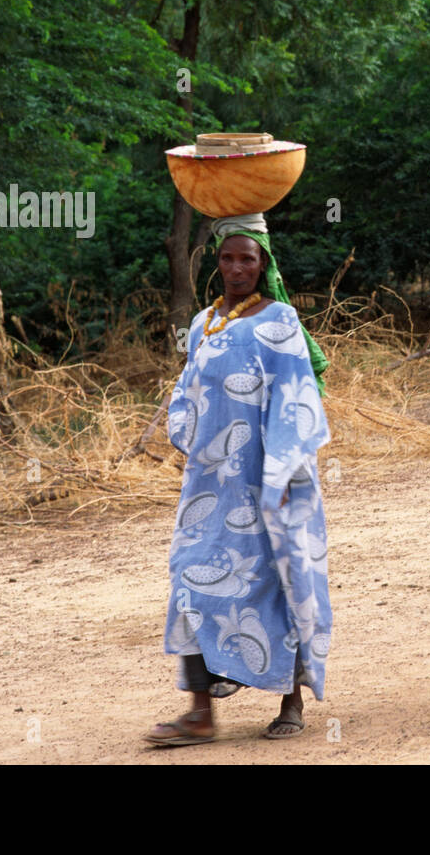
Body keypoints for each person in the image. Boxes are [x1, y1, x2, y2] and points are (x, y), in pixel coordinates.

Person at [145, 213, 331, 745]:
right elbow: (185, 391)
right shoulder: (205, 322)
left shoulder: (281, 322)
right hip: (209, 486)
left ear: (263, 264)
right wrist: (190, 437)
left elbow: (300, 404)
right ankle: (200, 712)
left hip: (269, 483)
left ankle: (290, 700)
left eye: (247, 258)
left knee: (280, 578)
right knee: (189, 578)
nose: (235, 268)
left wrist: (283, 476)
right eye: (227, 258)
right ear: (217, 263)